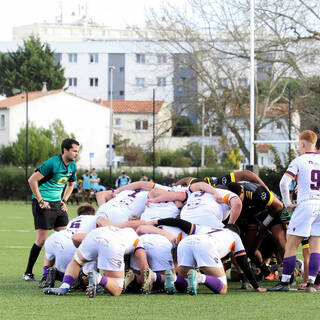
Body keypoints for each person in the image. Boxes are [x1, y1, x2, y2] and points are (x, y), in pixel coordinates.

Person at [269, 130, 320, 292]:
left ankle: (285, 283)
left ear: (303, 144)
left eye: (299, 144)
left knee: (291, 244)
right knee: (316, 247)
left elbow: (284, 183)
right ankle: (311, 283)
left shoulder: (299, 160)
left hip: (305, 205)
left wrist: (288, 203)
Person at [22, 138, 80, 281]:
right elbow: (32, 180)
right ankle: (28, 273)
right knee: (41, 240)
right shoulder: (52, 163)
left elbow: (71, 185)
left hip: (58, 205)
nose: (76, 154)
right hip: (43, 204)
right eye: (74, 150)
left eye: (77, 151)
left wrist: (64, 200)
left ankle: (64, 272)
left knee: (65, 239)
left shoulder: (72, 167)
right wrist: (41, 201)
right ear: (65, 150)